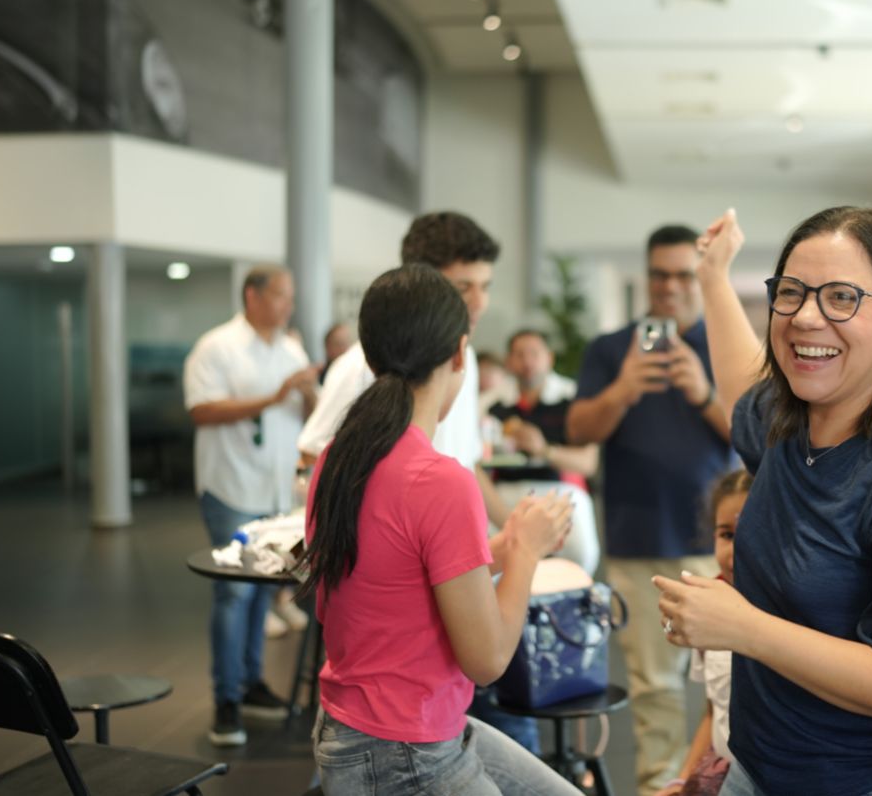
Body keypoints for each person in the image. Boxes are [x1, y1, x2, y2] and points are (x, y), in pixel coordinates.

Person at [656, 207, 872, 795]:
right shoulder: (790, 424)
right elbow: (739, 390)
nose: (805, 317)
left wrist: (746, 629)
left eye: (841, 297)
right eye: (791, 293)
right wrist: (713, 277)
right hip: (766, 766)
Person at [299, 264, 579, 796]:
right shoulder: (439, 480)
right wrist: (524, 550)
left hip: (367, 727)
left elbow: (400, 574)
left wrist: (501, 544)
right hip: (403, 748)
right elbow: (488, 660)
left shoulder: (339, 458)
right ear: (459, 354)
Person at [566, 224, 736, 795]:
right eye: (660, 274)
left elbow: (759, 438)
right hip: (637, 538)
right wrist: (623, 389)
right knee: (655, 688)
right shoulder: (611, 350)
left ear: (701, 277)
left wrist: (703, 393)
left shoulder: (726, 346)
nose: (670, 287)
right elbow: (579, 428)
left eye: (684, 274)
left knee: (736, 684)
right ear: (646, 277)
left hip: (723, 543)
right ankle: (660, 790)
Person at [183, 264, 319, 746]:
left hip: (276, 491)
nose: (288, 305)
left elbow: (306, 413)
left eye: (291, 296)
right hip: (231, 487)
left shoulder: (290, 347)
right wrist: (274, 396)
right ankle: (226, 700)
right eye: (280, 295)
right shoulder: (217, 346)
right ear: (253, 296)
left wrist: (304, 394)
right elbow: (201, 410)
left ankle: (252, 682)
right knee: (234, 593)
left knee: (265, 592)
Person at [655, 469, 752, 796]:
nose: (734, 550)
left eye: (750, 532)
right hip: (720, 772)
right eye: (726, 534)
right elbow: (715, 709)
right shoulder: (705, 605)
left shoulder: (792, 614)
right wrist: (682, 780)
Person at [487, 328, 601, 574]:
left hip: (558, 490)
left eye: (534, 354)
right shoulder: (492, 403)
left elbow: (588, 463)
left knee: (579, 555)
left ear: (549, 358)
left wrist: (544, 450)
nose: (527, 362)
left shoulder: (571, 399)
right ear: (509, 361)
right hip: (504, 493)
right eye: (519, 354)